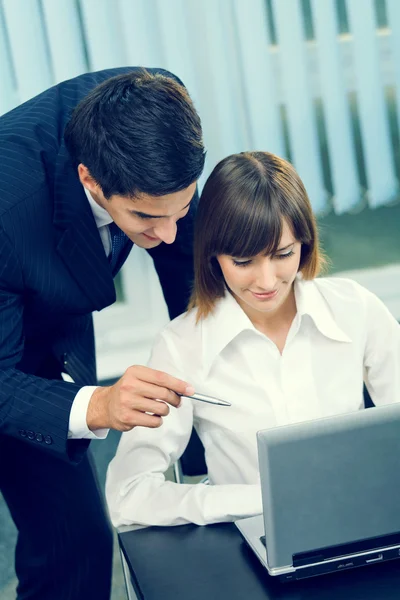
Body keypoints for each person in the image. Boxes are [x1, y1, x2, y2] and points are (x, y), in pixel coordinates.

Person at [106, 151, 400, 528]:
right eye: (243, 262)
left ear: (305, 243)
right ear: (214, 255)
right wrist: (259, 500)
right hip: (252, 538)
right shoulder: (181, 345)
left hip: (363, 521)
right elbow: (127, 496)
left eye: (283, 254)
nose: (266, 281)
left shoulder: (354, 308)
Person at [0, 67, 205, 600]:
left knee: (79, 543)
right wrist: (99, 406)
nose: (167, 233)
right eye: (144, 217)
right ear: (89, 179)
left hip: (39, 303)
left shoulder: (156, 107)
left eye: (181, 207)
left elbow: (184, 266)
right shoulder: (6, 211)